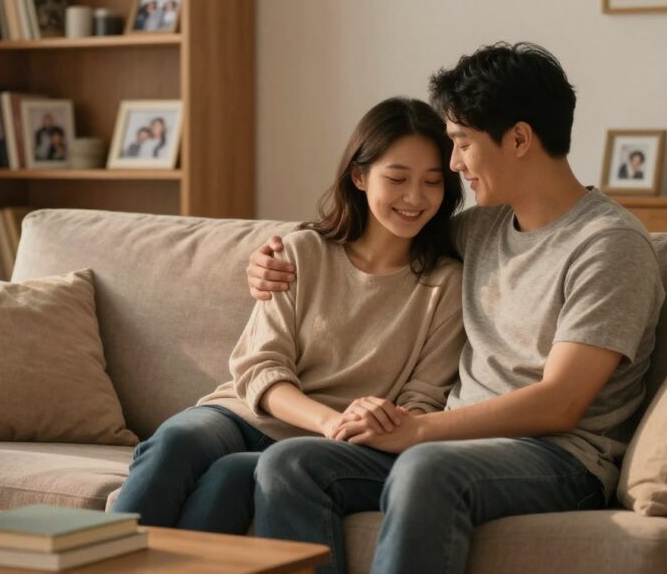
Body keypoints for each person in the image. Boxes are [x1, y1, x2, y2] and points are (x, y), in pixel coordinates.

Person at [245, 42, 664, 574]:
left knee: (426, 469)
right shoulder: (481, 228)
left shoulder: (609, 245)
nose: (453, 164)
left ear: (518, 138)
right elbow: (374, 239)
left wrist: (418, 431)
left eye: (462, 143)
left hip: (559, 457)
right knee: (290, 464)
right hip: (453, 444)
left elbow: (561, 403)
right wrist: (271, 260)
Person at [112, 97, 467, 536]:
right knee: (176, 440)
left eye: (433, 182)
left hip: (328, 448)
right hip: (247, 415)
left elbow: (423, 399)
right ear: (359, 176)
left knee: (230, 479)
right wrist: (326, 419)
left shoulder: (446, 284)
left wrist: (372, 422)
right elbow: (262, 367)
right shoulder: (299, 252)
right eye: (397, 178)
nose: (415, 197)